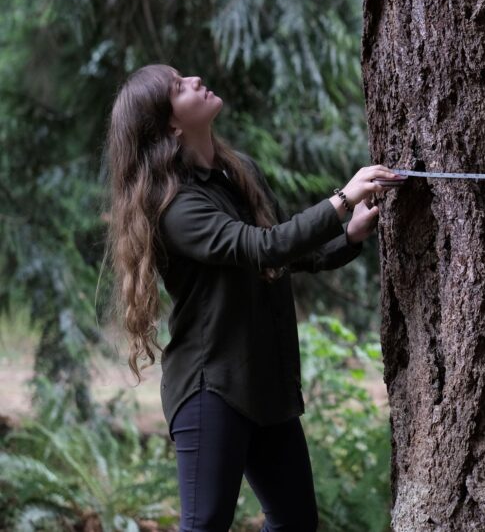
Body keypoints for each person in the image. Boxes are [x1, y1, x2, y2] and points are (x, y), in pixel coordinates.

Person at [105, 64, 403, 531]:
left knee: (295, 523)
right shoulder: (176, 207)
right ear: (171, 124)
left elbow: (282, 251)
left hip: (265, 384)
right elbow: (259, 247)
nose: (195, 80)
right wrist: (341, 200)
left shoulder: (239, 171)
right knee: (205, 524)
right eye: (178, 87)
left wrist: (347, 234)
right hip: (212, 388)